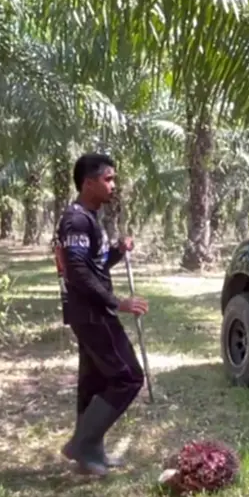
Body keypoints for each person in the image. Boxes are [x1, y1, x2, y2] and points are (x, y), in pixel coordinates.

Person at [53, 152, 150, 476]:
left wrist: (117, 252)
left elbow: (95, 264)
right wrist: (116, 302)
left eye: (114, 179)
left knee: (94, 381)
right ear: (89, 182)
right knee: (128, 377)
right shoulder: (77, 219)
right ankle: (83, 442)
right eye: (108, 179)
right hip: (92, 313)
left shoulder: (90, 218)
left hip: (90, 311)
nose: (113, 185)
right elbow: (78, 272)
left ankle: (89, 450)